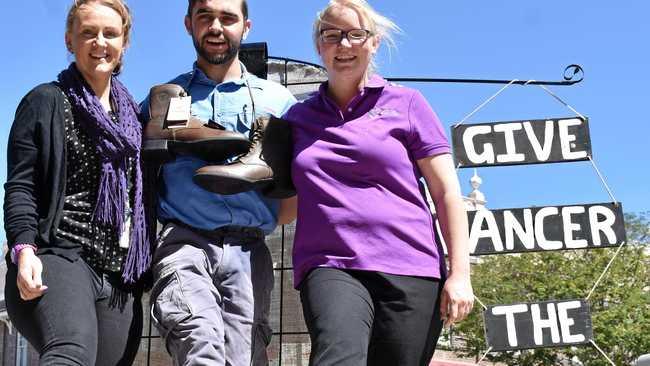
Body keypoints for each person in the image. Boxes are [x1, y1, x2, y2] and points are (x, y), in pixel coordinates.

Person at [282, 1, 475, 365]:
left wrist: (460, 274)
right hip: (331, 264)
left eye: (356, 34)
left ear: (374, 42)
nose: (344, 45)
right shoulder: (297, 119)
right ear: (318, 45)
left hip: (412, 266)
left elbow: (446, 191)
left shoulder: (407, 104)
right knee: (337, 357)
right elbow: (285, 203)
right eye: (332, 35)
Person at [142, 0, 296, 364]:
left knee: (243, 357)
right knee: (198, 342)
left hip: (250, 249)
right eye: (205, 17)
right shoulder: (159, 100)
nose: (216, 27)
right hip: (184, 242)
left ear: (246, 25)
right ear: (188, 24)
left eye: (228, 18)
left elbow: (294, 192)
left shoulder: (280, 102)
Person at [3, 0, 153, 365]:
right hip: (59, 255)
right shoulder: (45, 101)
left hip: (118, 273)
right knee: (71, 354)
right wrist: (24, 250)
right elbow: (20, 186)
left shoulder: (135, 117)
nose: (99, 42)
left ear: (124, 43)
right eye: (88, 32)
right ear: (70, 40)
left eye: (110, 33)